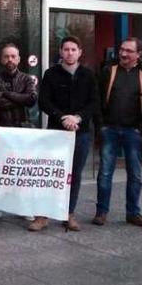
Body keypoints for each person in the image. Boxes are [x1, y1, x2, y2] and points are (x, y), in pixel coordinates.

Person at [33, 36, 99, 232]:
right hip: (56, 132)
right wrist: (62, 117)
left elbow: (94, 103)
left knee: (75, 175)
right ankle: (42, 215)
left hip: (81, 132)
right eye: (66, 49)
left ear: (80, 52)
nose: (70, 53)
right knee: (50, 173)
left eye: (73, 49)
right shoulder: (50, 74)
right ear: (61, 52)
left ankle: (68, 213)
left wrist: (77, 118)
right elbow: (44, 101)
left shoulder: (88, 75)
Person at [93, 37, 142, 228]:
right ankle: (101, 211)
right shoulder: (108, 71)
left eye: (128, 51)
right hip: (109, 129)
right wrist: (101, 125)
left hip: (133, 132)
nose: (124, 54)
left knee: (135, 174)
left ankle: (133, 213)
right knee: (104, 173)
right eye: (122, 50)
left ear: (139, 54)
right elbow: (97, 100)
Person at [0, 42, 37, 128]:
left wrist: (7, 94)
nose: (10, 59)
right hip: (2, 128)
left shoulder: (26, 79)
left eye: (13, 56)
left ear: (18, 59)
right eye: (6, 56)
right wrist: (22, 99)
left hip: (24, 127)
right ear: (1, 59)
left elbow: (32, 99)